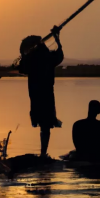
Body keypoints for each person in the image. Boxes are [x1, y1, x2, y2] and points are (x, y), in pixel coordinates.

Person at [18, 26, 64, 157]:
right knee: (45, 126)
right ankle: (43, 153)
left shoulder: (34, 58)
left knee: (44, 124)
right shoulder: (45, 57)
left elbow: (22, 68)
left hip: (38, 95)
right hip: (45, 95)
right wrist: (57, 38)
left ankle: (43, 153)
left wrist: (23, 56)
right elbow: (59, 55)